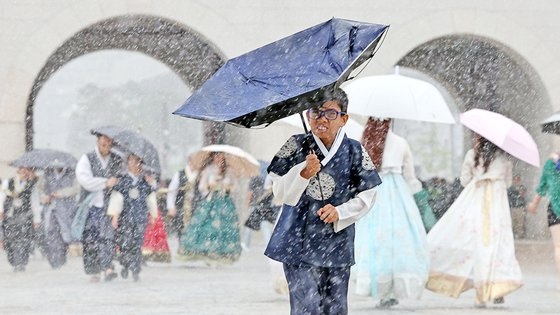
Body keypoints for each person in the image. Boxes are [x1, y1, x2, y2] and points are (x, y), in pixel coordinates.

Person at [264, 88, 382, 315]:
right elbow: (278, 191)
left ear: (344, 118)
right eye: (315, 113)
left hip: (336, 243)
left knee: (335, 308)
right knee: (306, 307)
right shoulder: (295, 145)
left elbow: (369, 193)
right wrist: (303, 173)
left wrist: (341, 211)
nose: (321, 119)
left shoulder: (354, 150)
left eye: (330, 113)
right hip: (297, 240)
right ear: (307, 115)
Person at [426, 134, 522, 307]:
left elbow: (464, 180)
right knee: (497, 245)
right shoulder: (504, 158)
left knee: (476, 245)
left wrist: (480, 177)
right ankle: (496, 286)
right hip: (497, 206)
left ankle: (481, 292)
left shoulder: (472, 155)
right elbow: (508, 184)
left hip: (475, 202)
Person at [353, 117, 433, 308]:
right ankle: (395, 287)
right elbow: (410, 177)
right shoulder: (401, 143)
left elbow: (356, 174)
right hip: (398, 194)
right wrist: (420, 198)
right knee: (399, 241)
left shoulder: (364, 141)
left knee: (375, 241)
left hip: (372, 192)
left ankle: (379, 287)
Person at [177, 151, 242, 265]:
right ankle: (208, 251)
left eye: (220, 156)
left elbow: (236, 188)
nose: (218, 159)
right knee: (208, 227)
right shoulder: (208, 170)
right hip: (211, 202)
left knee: (224, 228)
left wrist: (228, 188)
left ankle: (222, 253)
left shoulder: (230, 171)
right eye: (216, 156)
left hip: (225, 203)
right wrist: (209, 186)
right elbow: (202, 187)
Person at [75, 131, 123, 282]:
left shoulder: (116, 159)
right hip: (91, 205)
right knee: (90, 239)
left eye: (109, 145)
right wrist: (104, 182)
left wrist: (115, 183)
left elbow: (120, 179)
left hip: (109, 206)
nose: (106, 148)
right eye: (103, 144)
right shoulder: (87, 158)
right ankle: (94, 270)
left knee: (108, 238)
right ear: (97, 143)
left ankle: (108, 267)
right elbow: (84, 179)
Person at [107, 153, 159, 281]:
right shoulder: (123, 180)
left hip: (140, 216)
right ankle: (125, 264)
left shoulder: (144, 181)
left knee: (137, 243)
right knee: (125, 242)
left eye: (137, 161)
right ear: (127, 163)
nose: (134, 164)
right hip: (126, 217)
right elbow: (116, 199)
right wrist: (115, 216)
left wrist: (153, 215)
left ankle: (135, 270)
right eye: (131, 161)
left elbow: (150, 198)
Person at [527, 152, 560, 287]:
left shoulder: (550, 164)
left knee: (558, 247)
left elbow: (542, 187)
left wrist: (534, 204)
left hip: (555, 208)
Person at [0, 166, 41, 272]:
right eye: (22, 169)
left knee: (24, 239)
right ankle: (14, 260)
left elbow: (35, 202)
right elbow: (2, 197)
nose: (24, 172)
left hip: (25, 214)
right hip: (10, 214)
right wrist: (1, 210)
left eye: (27, 170)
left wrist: (36, 219)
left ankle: (21, 262)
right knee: (10, 240)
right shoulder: (8, 182)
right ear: (18, 170)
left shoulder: (31, 185)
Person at [39, 166, 80, 269]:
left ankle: (61, 256)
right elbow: (40, 189)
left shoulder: (72, 174)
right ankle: (55, 260)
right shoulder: (46, 173)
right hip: (50, 208)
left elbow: (77, 188)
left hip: (66, 209)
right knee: (51, 233)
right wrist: (44, 197)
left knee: (65, 234)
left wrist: (62, 193)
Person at [241, 173, 279, 251]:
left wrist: (247, 204)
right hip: (265, 205)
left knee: (250, 226)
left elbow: (250, 194)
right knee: (265, 226)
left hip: (256, 204)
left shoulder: (254, 179)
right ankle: (268, 244)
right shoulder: (268, 177)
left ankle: (246, 243)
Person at [166, 156, 200, 238]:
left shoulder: (200, 174)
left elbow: (202, 192)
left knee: (195, 232)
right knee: (181, 230)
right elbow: (172, 191)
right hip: (181, 206)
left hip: (195, 206)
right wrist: (171, 207)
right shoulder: (180, 174)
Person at [508, 174, 527, 239]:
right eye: (515, 180)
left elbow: (523, 194)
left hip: (520, 207)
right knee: (512, 222)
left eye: (518, 179)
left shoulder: (522, 187)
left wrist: (520, 190)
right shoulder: (510, 188)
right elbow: (510, 196)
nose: (516, 181)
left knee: (520, 223)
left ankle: (520, 236)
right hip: (513, 207)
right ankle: (512, 236)